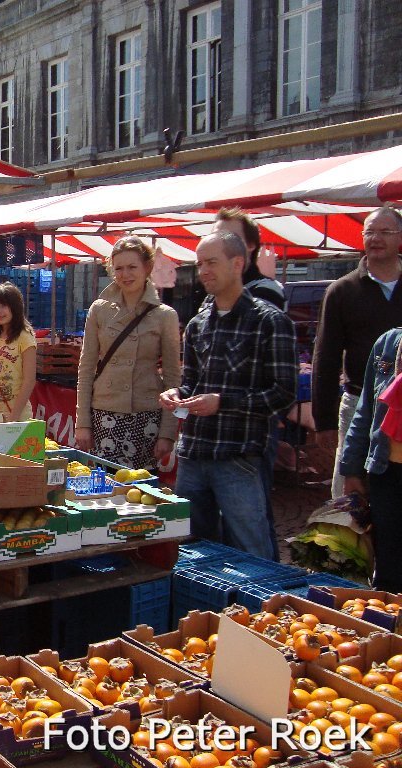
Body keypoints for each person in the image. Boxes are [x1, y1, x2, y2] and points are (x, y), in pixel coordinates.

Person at [160, 231, 297, 559]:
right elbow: (193, 383)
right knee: (191, 552)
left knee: (252, 550)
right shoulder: (197, 324)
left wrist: (223, 403)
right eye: (199, 263)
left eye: (211, 262)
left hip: (238, 456)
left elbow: (282, 393)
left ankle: (265, 607)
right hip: (194, 453)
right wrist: (177, 393)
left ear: (238, 264)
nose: (203, 270)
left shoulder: (270, 321)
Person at [313, 207, 402, 499]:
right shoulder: (342, 290)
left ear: (400, 237)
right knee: (349, 493)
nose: (376, 238)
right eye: (370, 232)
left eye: (385, 232)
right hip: (358, 402)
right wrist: (323, 419)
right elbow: (325, 357)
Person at [211, 209, 285, 558]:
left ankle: (264, 599)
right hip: (211, 437)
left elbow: (270, 383)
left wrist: (221, 400)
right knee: (221, 527)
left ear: (249, 250)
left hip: (248, 435)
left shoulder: (265, 296)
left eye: (231, 238)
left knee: (252, 523)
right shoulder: (208, 304)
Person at [75, 237, 181, 471]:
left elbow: (173, 377)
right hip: (105, 414)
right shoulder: (99, 310)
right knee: (103, 488)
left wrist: (168, 433)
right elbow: (86, 368)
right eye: (119, 268)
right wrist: (82, 422)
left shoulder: (165, 316)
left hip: (146, 415)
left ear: (147, 268)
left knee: (141, 492)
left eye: (132, 267)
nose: (125, 274)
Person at [340, 327, 402, 590]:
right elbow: (365, 411)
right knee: (388, 565)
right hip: (387, 473)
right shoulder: (387, 344)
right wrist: (351, 469)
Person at [0, 282, 37, 420]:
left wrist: (14, 416)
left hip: (16, 415)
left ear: (15, 308)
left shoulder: (25, 336)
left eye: (4, 306)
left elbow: (29, 380)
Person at [213, 207, 285, 310]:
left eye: (230, 238)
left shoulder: (267, 290)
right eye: (215, 238)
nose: (220, 244)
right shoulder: (217, 288)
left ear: (250, 245)